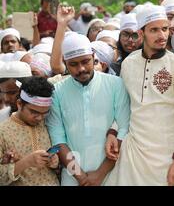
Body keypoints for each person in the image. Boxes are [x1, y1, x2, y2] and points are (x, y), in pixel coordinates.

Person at [104, 4, 174, 186]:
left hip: (169, 157)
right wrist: (113, 131)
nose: (162, 35)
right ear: (141, 34)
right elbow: (124, 104)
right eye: (154, 30)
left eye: (165, 29)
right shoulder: (129, 64)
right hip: (134, 153)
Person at [46, 33, 130, 186]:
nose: (81, 69)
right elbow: (58, 140)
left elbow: (124, 127)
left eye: (85, 61)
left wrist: (100, 174)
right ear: (65, 62)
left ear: (93, 56)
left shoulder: (116, 85)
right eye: (73, 64)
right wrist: (81, 178)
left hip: (112, 173)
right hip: (72, 177)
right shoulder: (57, 92)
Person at [0, 77, 59, 186]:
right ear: (19, 104)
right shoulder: (3, 131)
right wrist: (26, 162)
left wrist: (55, 164)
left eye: (44, 112)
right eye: (34, 112)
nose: (39, 118)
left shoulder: (48, 123)